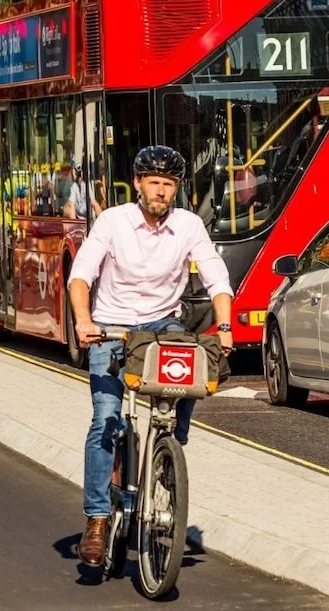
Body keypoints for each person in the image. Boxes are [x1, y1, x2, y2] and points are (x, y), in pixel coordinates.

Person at [67, 145, 234, 568]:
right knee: (105, 419)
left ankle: (170, 442)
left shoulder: (188, 225)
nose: (161, 191)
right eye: (154, 183)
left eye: (169, 185)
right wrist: (85, 323)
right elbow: (81, 275)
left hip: (162, 323)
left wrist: (226, 326)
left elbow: (217, 277)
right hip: (110, 326)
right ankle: (98, 518)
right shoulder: (112, 221)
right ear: (138, 184)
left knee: (194, 358)